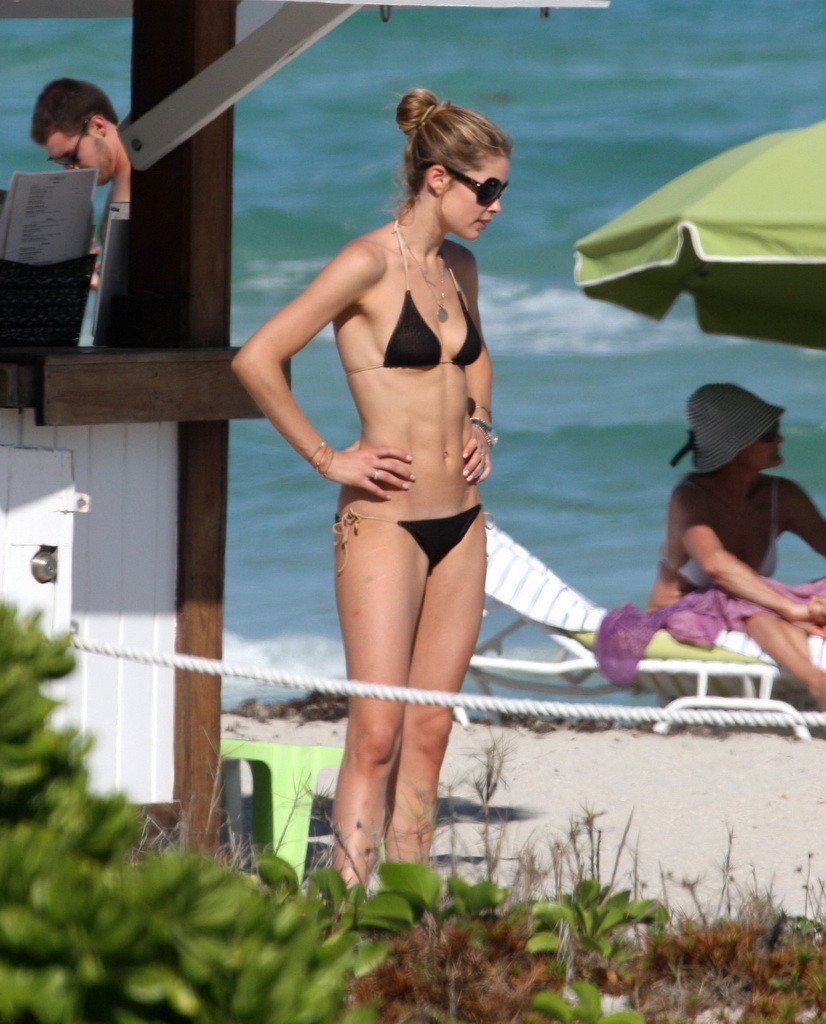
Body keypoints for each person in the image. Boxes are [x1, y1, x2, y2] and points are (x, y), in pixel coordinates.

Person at [232, 88, 509, 885]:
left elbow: (476, 356)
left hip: (461, 525)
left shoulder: (460, 267)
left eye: (502, 190)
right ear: (436, 179)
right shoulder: (365, 263)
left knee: (430, 737)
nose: (494, 205)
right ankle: (350, 919)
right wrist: (329, 458)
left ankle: (411, 925)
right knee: (378, 734)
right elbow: (257, 358)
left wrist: (482, 424)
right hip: (382, 525)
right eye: (483, 188)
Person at [595, 383, 826, 710]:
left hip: (749, 603)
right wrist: (791, 609)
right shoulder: (690, 498)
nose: (780, 439)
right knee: (741, 600)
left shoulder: (782, 496)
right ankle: (818, 682)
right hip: (684, 611)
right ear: (735, 446)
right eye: (769, 433)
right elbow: (715, 565)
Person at [31, 78, 132, 205]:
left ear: (98, 126)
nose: (71, 170)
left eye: (72, 156)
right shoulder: (121, 174)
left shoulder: (137, 184)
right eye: (60, 161)